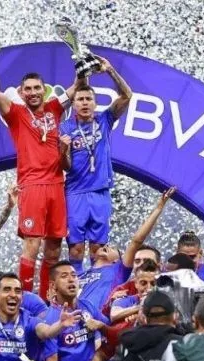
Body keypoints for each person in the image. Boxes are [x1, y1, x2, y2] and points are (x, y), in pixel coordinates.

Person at [0, 42, 85, 299]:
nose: (33, 92)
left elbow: (79, 86)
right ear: (21, 92)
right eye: (28, 89)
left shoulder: (54, 108)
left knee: (53, 250)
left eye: (37, 88)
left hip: (56, 186)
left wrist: (79, 57)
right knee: (32, 245)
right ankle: (26, 300)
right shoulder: (16, 114)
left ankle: (47, 299)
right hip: (32, 186)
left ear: (44, 89)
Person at [58, 56, 132, 274]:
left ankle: (96, 284)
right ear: (73, 104)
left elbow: (127, 95)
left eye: (89, 99)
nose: (84, 103)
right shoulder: (65, 128)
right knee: (76, 249)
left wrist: (110, 70)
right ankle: (78, 286)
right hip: (76, 192)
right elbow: (66, 166)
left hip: (100, 192)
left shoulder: (104, 120)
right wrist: (63, 150)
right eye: (80, 99)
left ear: (95, 103)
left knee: (99, 249)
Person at [78, 187, 176, 310]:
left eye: (114, 248)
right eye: (108, 245)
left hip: (97, 322)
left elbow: (136, 241)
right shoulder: (79, 274)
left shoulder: (118, 271)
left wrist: (159, 207)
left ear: (117, 261)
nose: (107, 246)